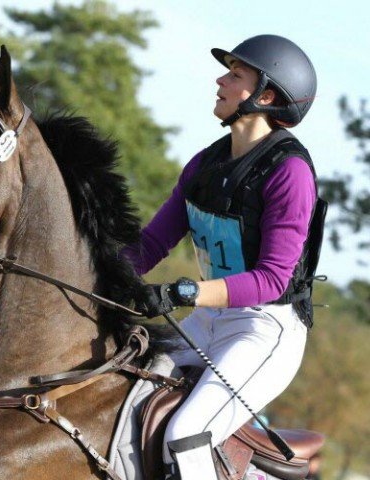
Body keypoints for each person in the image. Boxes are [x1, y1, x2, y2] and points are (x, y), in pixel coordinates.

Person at [123, 35, 325, 479]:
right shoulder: (204, 164)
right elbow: (151, 246)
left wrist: (184, 290)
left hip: (264, 330)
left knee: (186, 434)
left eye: (235, 75)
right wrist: (100, 272)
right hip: (208, 322)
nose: (220, 80)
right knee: (121, 387)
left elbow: (272, 279)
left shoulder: (289, 173)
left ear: (265, 96)